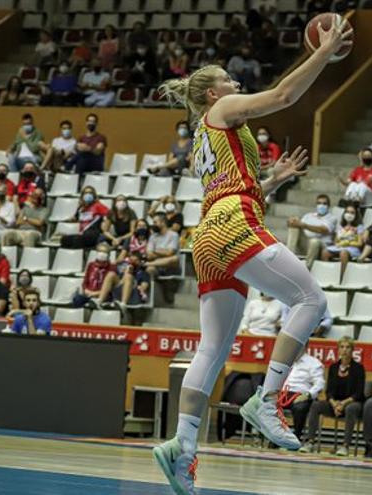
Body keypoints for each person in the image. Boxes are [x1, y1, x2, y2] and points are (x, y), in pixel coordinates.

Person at [151, 20, 349, 492]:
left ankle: (181, 448)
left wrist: (271, 181)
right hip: (234, 224)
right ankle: (268, 398)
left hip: (208, 235)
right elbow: (282, 96)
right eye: (229, 79)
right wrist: (322, 52)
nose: (236, 85)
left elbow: (227, 186)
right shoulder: (223, 107)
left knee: (213, 348)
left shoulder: (203, 135)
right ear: (210, 92)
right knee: (310, 301)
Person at [301, 336, 365, 457]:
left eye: (348, 347)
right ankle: (310, 442)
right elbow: (329, 391)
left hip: (351, 403)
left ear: (352, 350)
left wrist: (343, 404)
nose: (345, 350)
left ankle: (345, 446)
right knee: (316, 405)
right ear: (338, 350)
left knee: (352, 408)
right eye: (342, 347)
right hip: (334, 403)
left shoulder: (358, 368)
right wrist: (334, 403)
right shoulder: (333, 367)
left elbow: (359, 393)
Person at [277, 348, 325, 441]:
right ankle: (274, 438)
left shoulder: (313, 363)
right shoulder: (285, 360)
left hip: (301, 395)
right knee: (267, 404)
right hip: (283, 393)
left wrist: (308, 395)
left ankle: (295, 438)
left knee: (300, 408)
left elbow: (320, 383)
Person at [287, 194, 338, 267]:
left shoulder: (332, 218)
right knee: (294, 228)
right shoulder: (308, 216)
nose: (321, 205)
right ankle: (288, 258)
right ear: (316, 205)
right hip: (306, 244)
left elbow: (323, 230)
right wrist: (292, 221)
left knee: (314, 241)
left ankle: (306, 269)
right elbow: (296, 224)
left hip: (321, 247)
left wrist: (304, 225)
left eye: (324, 203)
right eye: (319, 203)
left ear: (328, 206)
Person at [320, 205, 364, 276]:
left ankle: (342, 277)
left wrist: (347, 243)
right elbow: (335, 242)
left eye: (352, 213)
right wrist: (342, 234)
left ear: (356, 215)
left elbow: (360, 243)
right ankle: (327, 275)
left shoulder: (359, 227)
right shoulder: (340, 226)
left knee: (343, 253)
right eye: (347, 212)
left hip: (352, 249)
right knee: (325, 252)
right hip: (340, 247)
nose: (349, 214)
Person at [73, 243, 116, 308]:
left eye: (104, 252)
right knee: (77, 299)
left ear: (109, 255)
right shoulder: (91, 265)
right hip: (89, 294)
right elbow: (85, 281)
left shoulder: (112, 267)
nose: (101, 254)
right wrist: (86, 290)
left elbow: (110, 288)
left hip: (102, 296)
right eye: (100, 252)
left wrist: (95, 293)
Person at [145, 212, 182, 277]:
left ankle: (148, 264)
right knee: (150, 269)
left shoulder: (174, 235)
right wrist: (162, 253)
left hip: (171, 268)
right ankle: (150, 265)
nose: (153, 225)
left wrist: (155, 251)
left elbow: (169, 253)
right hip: (157, 266)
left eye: (155, 222)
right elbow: (149, 255)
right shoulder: (153, 236)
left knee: (175, 258)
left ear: (163, 222)